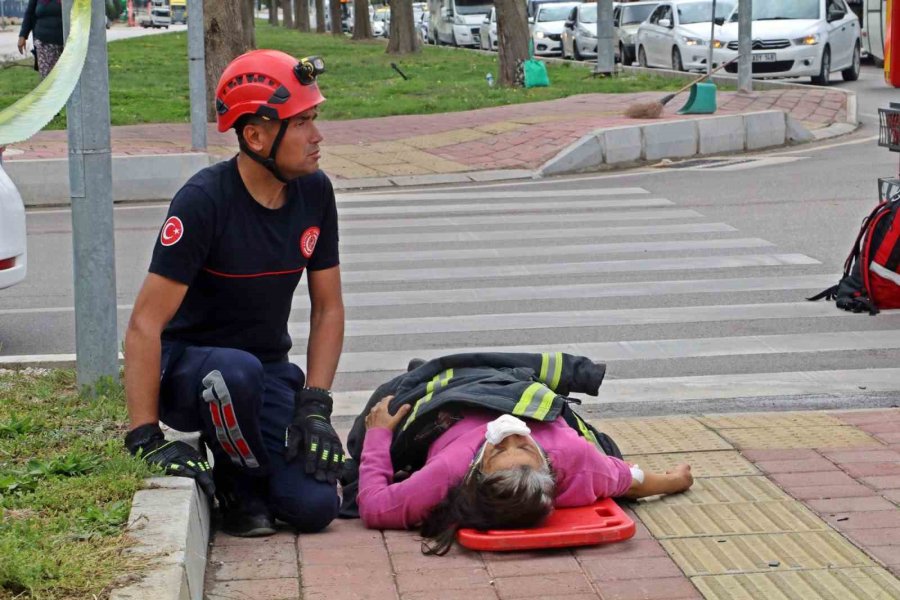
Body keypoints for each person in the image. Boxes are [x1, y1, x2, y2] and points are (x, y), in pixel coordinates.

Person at [123, 50, 346, 538]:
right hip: (192, 371)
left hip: (265, 373)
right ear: (256, 135)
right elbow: (144, 323)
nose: (317, 136)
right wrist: (145, 436)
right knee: (233, 373)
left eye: (315, 118)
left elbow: (328, 308)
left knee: (315, 507)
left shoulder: (315, 193)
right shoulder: (204, 202)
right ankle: (235, 480)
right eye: (302, 122)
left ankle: (254, 470)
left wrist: (315, 405)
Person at [341, 352, 693, 555]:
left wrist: (377, 434)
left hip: (453, 405)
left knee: (412, 388)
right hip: (506, 388)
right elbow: (629, 479)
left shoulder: (450, 472)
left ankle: (425, 374)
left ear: (478, 471)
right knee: (606, 448)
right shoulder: (575, 458)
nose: (509, 433)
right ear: (548, 467)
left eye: (501, 450)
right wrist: (676, 481)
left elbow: (374, 505)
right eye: (523, 447)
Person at [17, 0, 64, 79]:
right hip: (43, 42)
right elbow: (29, 13)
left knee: (66, 79)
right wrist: (23, 35)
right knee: (48, 80)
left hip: (67, 42)